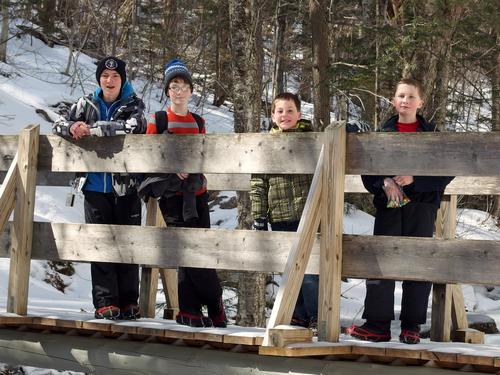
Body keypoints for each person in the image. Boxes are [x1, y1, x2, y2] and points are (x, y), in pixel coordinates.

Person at [347, 78, 453, 344]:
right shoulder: (381, 133)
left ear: (421, 102)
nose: (404, 100)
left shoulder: (432, 135)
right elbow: (367, 169)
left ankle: (411, 327)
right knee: (381, 261)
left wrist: (415, 178)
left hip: (421, 207)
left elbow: (446, 172)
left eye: (410, 96)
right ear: (394, 101)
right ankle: (377, 325)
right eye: (400, 96)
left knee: (417, 262)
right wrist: (384, 181)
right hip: (389, 207)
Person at [52, 56, 146, 320]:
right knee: (100, 244)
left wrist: (99, 129)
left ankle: (129, 301)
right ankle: (106, 302)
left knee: (127, 243)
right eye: (105, 76)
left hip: (125, 186)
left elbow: (137, 125)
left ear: (122, 80)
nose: (110, 80)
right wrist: (73, 126)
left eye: (115, 77)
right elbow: (57, 123)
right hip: (93, 185)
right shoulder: (86, 103)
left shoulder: (133, 104)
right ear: (99, 79)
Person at [143, 59, 226, 328]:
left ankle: (192, 308)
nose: (179, 91)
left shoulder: (199, 121)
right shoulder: (158, 119)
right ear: (167, 91)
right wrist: (171, 169)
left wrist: (191, 168)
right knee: (184, 250)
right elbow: (147, 155)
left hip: (197, 193)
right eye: (174, 86)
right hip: (171, 195)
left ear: (191, 91)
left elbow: (204, 156)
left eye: (184, 86)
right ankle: (212, 305)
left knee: (198, 248)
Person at [250, 92, 318, 329]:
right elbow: (258, 182)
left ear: (299, 114)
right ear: (272, 115)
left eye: (290, 110)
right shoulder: (266, 144)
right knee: (287, 269)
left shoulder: (309, 139)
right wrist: (259, 215)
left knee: (310, 270)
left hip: (307, 213)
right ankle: (297, 314)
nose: (285, 115)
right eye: (279, 111)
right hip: (279, 215)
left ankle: (317, 315)